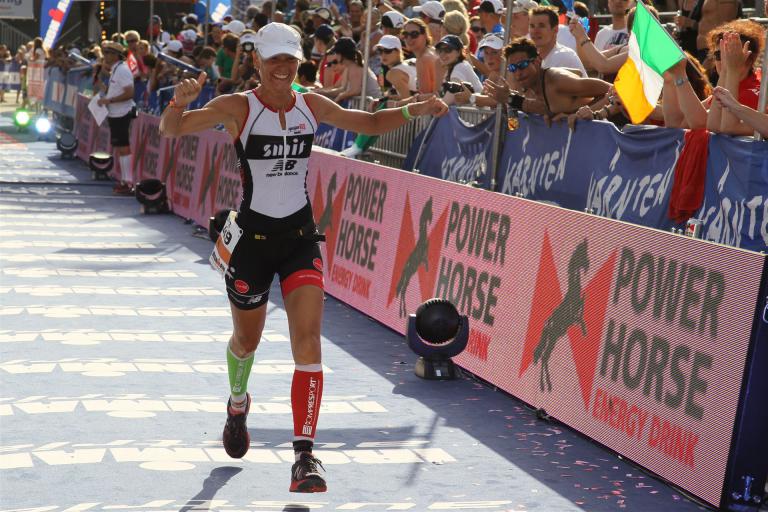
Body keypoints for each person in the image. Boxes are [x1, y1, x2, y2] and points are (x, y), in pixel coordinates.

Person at [158, 22, 447, 493]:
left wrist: (415, 108)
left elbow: (370, 124)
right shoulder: (237, 107)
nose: (283, 68)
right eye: (274, 59)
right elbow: (172, 130)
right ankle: (237, 403)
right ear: (257, 61)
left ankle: (304, 457)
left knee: (309, 344)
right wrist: (177, 103)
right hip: (251, 244)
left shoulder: (310, 104)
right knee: (246, 342)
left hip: (298, 238)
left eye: (290, 59)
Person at [485, 37, 609, 121]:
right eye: (512, 68)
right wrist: (508, 101)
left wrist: (586, 114)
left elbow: (614, 90)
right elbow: (541, 109)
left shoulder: (557, 80)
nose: (518, 73)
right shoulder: (527, 89)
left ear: (538, 61)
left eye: (522, 65)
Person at [97, 41, 136, 195]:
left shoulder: (122, 70)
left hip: (122, 112)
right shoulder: (117, 69)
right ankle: (125, 180)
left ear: (116, 55)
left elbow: (129, 93)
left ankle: (128, 181)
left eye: (108, 53)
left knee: (124, 147)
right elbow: (118, 90)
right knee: (121, 147)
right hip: (116, 112)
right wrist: (105, 92)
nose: (105, 56)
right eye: (105, 53)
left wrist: (109, 100)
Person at [529, 6, 586, 77]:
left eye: (542, 26)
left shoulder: (564, 57)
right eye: (532, 26)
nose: (535, 31)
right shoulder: (529, 58)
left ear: (555, 30)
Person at [436, 35, 482, 102]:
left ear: (458, 52)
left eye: (448, 50)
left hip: (477, 108)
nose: (442, 54)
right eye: (440, 50)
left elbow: (446, 102)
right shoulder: (461, 64)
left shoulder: (459, 69)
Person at [403, 18, 441, 95]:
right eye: (405, 34)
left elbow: (424, 95)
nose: (409, 38)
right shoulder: (432, 50)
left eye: (414, 34)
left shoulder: (423, 60)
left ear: (425, 35)